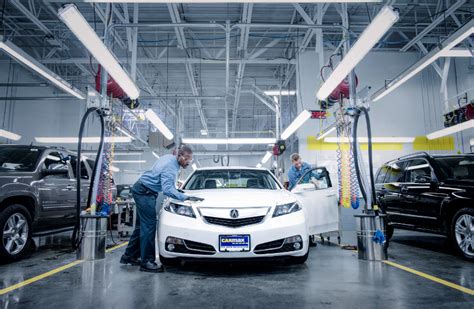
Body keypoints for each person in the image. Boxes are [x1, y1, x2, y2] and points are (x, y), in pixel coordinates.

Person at [120, 145, 203, 273]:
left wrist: (178, 192)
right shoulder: (171, 167)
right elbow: (167, 189)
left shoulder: (168, 158)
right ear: (180, 156)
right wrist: (184, 197)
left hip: (142, 188)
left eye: (190, 160)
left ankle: (129, 256)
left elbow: (167, 184)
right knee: (149, 225)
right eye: (187, 159)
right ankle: (147, 262)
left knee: (141, 226)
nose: (188, 162)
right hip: (145, 192)